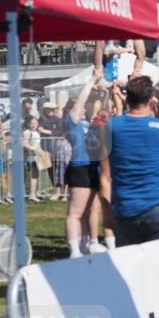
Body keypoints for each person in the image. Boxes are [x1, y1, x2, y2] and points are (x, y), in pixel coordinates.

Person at [106, 76, 159, 245]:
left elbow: (97, 126)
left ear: (127, 98)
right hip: (158, 205)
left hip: (124, 206)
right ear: (151, 100)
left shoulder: (111, 126)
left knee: (128, 266)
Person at [64, 69, 106, 257]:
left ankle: (87, 243)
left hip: (93, 168)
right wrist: (92, 80)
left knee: (91, 209)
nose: (83, 109)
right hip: (80, 167)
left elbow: (102, 115)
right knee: (75, 212)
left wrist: (105, 95)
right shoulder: (71, 123)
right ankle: (74, 250)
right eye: (79, 108)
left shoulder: (87, 123)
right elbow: (81, 101)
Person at [22, 117, 43, 202]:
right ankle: (31, 194)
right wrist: (33, 149)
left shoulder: (37, 133)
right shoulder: (27, 132)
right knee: (33, 174)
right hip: (30, 156)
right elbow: (25, 144)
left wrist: (41, 152)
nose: (34, 125)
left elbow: (37, 144)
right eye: (32, 123)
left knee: (35, 174)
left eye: (35, 123)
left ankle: (34, 192)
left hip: (37, 156)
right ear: (28, 124)